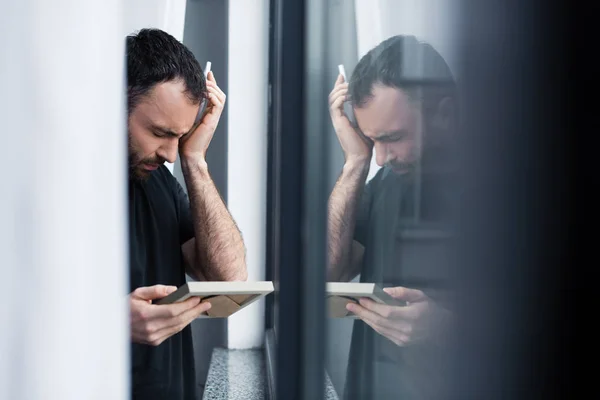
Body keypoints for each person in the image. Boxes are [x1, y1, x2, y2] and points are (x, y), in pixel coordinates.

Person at [327, 35, 458, 399]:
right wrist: (355, 161)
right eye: (372, 141)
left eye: (393, 137)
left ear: (445, 114)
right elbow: (327, 271)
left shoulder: (506, 195)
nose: (381, 157)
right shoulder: (386, 180)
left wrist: (444, 326)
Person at [126, 29, 247, 399]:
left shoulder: (160, 179)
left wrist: (197, 161)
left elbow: (229, 278)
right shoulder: (65, 188)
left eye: (181, 136)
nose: (170, 154)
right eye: (160, 132)